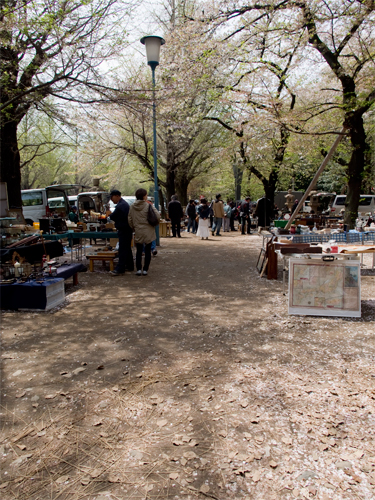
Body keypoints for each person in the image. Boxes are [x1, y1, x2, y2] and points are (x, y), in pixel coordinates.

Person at [128, 188, 160, 275]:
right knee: (148, 250)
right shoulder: (148, 205)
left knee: (139, 250)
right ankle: (145, 269)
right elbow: (157, 216)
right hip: (148, 230)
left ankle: (138, 269)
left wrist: (134, 227)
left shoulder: (132, 206)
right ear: (143, 196)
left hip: (138, 230)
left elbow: (130, 219)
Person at [108, 190, 134, 276]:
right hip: (127, 229)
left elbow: (114, 216)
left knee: (123, 249)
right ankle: (130, 265)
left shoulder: (121, 205)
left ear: (116, 196)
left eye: (112, 197)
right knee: (127, 248)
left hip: (124, 229)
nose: (112, 200)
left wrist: (109, 216)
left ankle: (120, 268)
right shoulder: (123, 204)